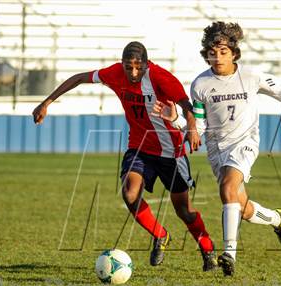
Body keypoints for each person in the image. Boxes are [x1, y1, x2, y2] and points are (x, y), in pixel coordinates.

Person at [152, 22, 281, 276]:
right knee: (241, 206)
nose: (217, 56)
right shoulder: (200, 85)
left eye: (223, 51)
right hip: (216, 149)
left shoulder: (251, 76)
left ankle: (229, 254)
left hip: (245, 142)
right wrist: (177, 121)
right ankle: (277, 219)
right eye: (212, 51)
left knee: (227, 189)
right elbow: (199, 127)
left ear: (234, 53)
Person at [32, 41, 217, 271]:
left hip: (172, 153)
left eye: (138, 67)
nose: (133, 73)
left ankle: (208, 251)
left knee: (184, 211)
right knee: (130, 194)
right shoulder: (114, 74)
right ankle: (161, 236)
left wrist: (191, 127)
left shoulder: (161, 77)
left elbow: (186, 105)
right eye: (128, 67)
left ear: (147, 64)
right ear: (122, 64)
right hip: (139, 147)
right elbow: (79, 78)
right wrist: (46, 102)